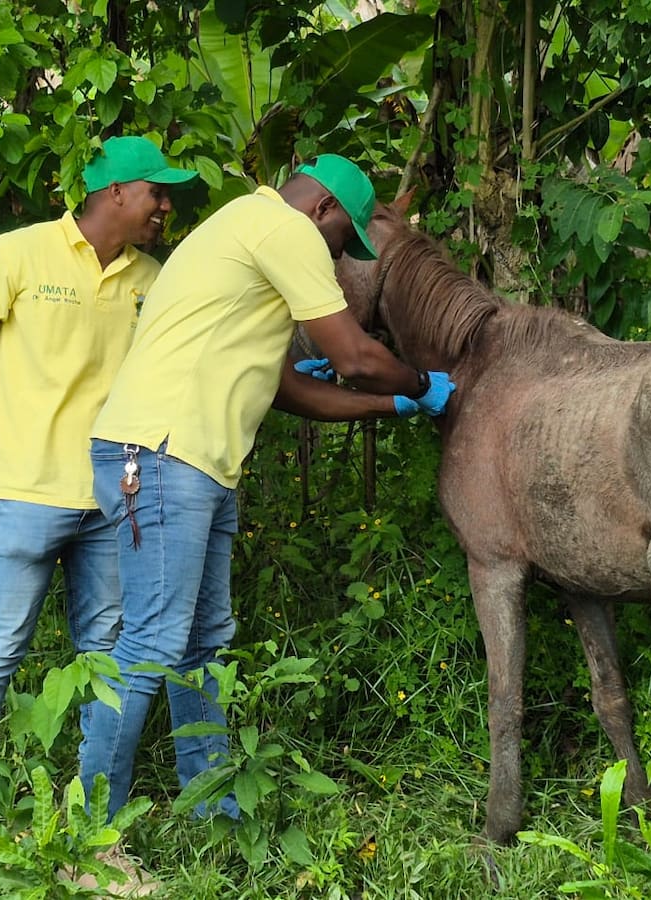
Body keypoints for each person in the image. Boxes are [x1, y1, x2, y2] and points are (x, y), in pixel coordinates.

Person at [76, 154, 454, 879]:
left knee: (204, 644)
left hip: (198, 463)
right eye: (344, 242)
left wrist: (394, 404)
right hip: (161, 455)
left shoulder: (244, 226)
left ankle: (213, 810)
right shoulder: (283, 231)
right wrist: (421, 382)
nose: (341, 260)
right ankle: (87, 843)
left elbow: (288, 389)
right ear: (321, 211)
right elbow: (353, 356)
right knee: (152, 641)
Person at [0, 136, 199, 846]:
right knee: (0, 644)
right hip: (23, 490)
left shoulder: (152, 278)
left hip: (112, 499)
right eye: (157, 192)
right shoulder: (20, 254)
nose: (166, 206)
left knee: (105, 649)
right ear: (116, 193)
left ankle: (90, 805)